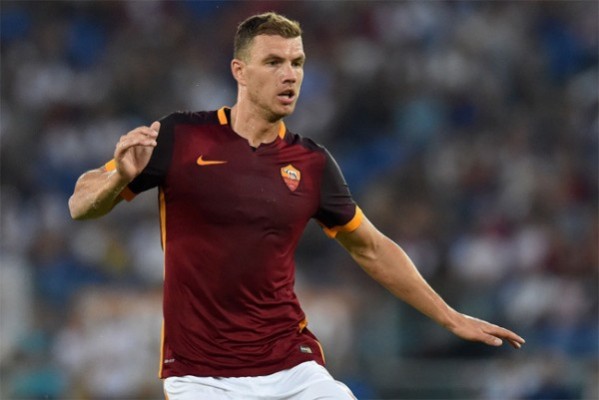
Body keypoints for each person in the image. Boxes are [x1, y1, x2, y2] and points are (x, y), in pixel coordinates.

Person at [68, 11, 525, 400]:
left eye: (297, 62)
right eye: (274, 62)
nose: (289, 74)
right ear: (239, 70)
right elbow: (80, 205)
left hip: (292, 367)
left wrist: (450, 317)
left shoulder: (311, 163)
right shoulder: (181, 137)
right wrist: (119, 178)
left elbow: (371, 247)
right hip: (202, 377)